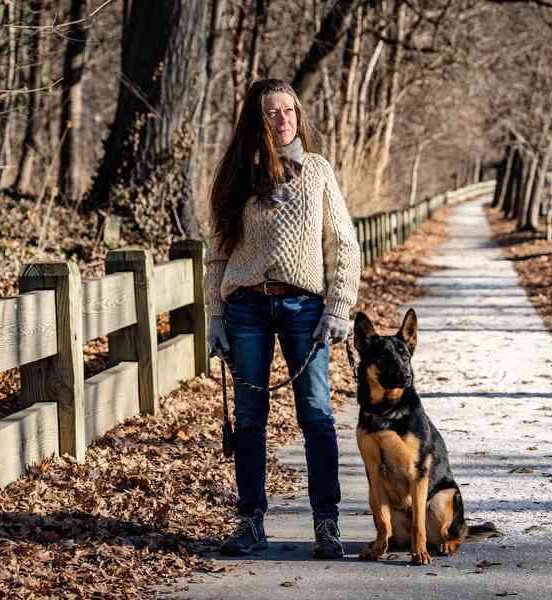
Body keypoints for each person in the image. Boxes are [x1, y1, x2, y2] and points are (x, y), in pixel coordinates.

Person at [205, 79, 361, 559]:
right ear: (256, 119)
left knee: (316, 415)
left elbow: (344, 243)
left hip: (303, 308)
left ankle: (326, 526)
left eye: (289, 110)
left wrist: (339, 307)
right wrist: (215, 317)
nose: (283, 119)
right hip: (247, 307)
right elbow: (216, 256)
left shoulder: (317, 171)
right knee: (250, 418)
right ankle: (250, 523)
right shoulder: (236, 175)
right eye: (272, 112)